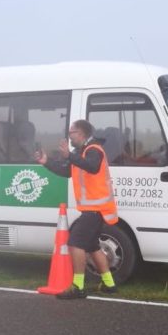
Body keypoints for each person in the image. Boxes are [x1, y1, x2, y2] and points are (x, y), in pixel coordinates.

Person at [35, 119, 119, 299]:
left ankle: (78, 287)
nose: (69, 137)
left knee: (75, 244)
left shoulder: (94, 150)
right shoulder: (80, 152)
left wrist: (70, 156)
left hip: (96, 209)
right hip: (93, 209)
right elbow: (66, 172)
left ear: (81, 133)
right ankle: (109, 283)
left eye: (71, 133)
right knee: (92, 246)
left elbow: (93, 166)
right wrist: (46, 161)